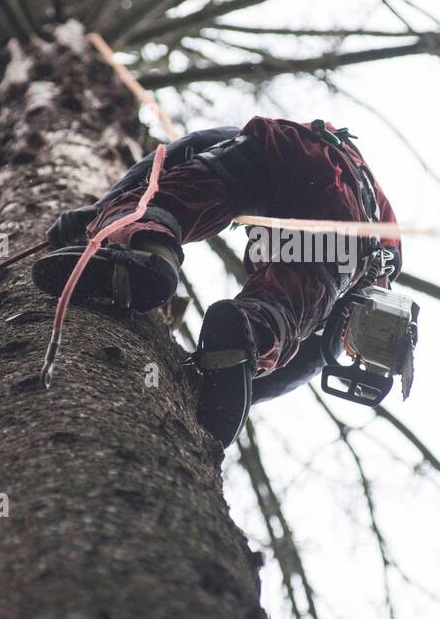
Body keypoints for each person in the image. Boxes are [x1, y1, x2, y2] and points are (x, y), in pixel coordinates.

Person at [32, 116, 402, 446]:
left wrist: (106, 209)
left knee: (171, 198)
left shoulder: (295, 136)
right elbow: (316, 356)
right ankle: (249, 336)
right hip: (349, 223)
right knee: (291, 297)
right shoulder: (379, 259)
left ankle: (150, 252)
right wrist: (241, 383)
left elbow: (175, 156)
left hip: (274, 150)